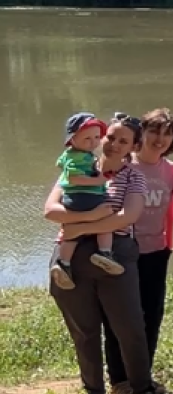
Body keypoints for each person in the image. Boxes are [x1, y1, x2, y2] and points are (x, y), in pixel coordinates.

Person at [43, 113, 166, 394]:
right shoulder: (78, 165)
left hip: (116, 253)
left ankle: (142, 387)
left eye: (123, 140)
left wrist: (78, 225)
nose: (113, 144)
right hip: (72, 255)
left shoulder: (133, 176)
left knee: (129, 326)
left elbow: (127, 216)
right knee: (84, 330)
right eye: (110, 137)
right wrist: (91, 221)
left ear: (134, 147)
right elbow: (51, 210)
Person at [107, 108, 173, 394]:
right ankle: (118, 380)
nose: (160, 139)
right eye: (154, 131)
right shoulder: (125, 166)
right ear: (142, 135)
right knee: (120, 317)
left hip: (156, 252)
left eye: (167, 134)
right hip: (123, 252)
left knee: (151, 316)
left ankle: (143, 377)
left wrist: (169, 246)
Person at [52, 113, 120, 287]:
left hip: (73, 199)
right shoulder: (79, 156)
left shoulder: (72, 155)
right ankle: (105, 252)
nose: (94, 142)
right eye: (87, 138)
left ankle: (63, 263)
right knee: (106, 221)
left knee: (71, 234)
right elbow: (74, 178)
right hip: (85, 197)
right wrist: (99, 180)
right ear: (72, 140)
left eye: (97, 137)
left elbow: (61, 165)